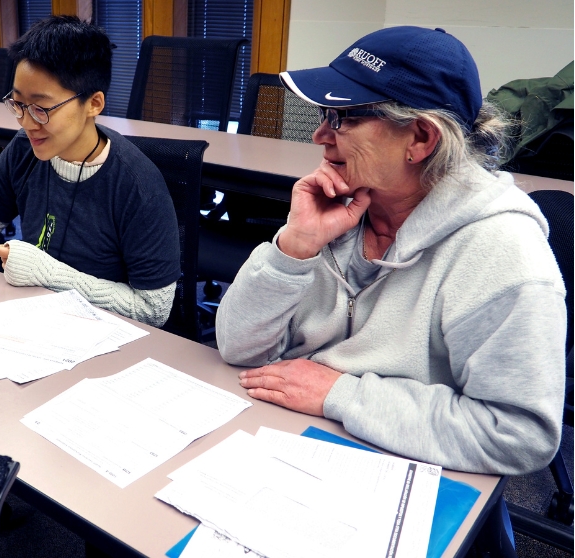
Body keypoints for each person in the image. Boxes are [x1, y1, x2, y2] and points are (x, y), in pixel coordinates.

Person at [216, 26, 566, 477]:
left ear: (420, 138)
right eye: (325, 114)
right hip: (295, 439)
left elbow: (519, 435)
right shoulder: (341, 206)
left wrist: (340, 393)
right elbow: (237, 348)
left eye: (344, 118)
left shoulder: (503, 252)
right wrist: (294, 248)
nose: (320, 135)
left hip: (408, 467)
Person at [0, 16, 180, 327]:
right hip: (35, 320)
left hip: (105, 336)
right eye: (18, 104)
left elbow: (154, 310)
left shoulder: (137, 185)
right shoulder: (24, 149)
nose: (27, 123)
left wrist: (48, 273)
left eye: (41, 108)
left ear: (93, 103)